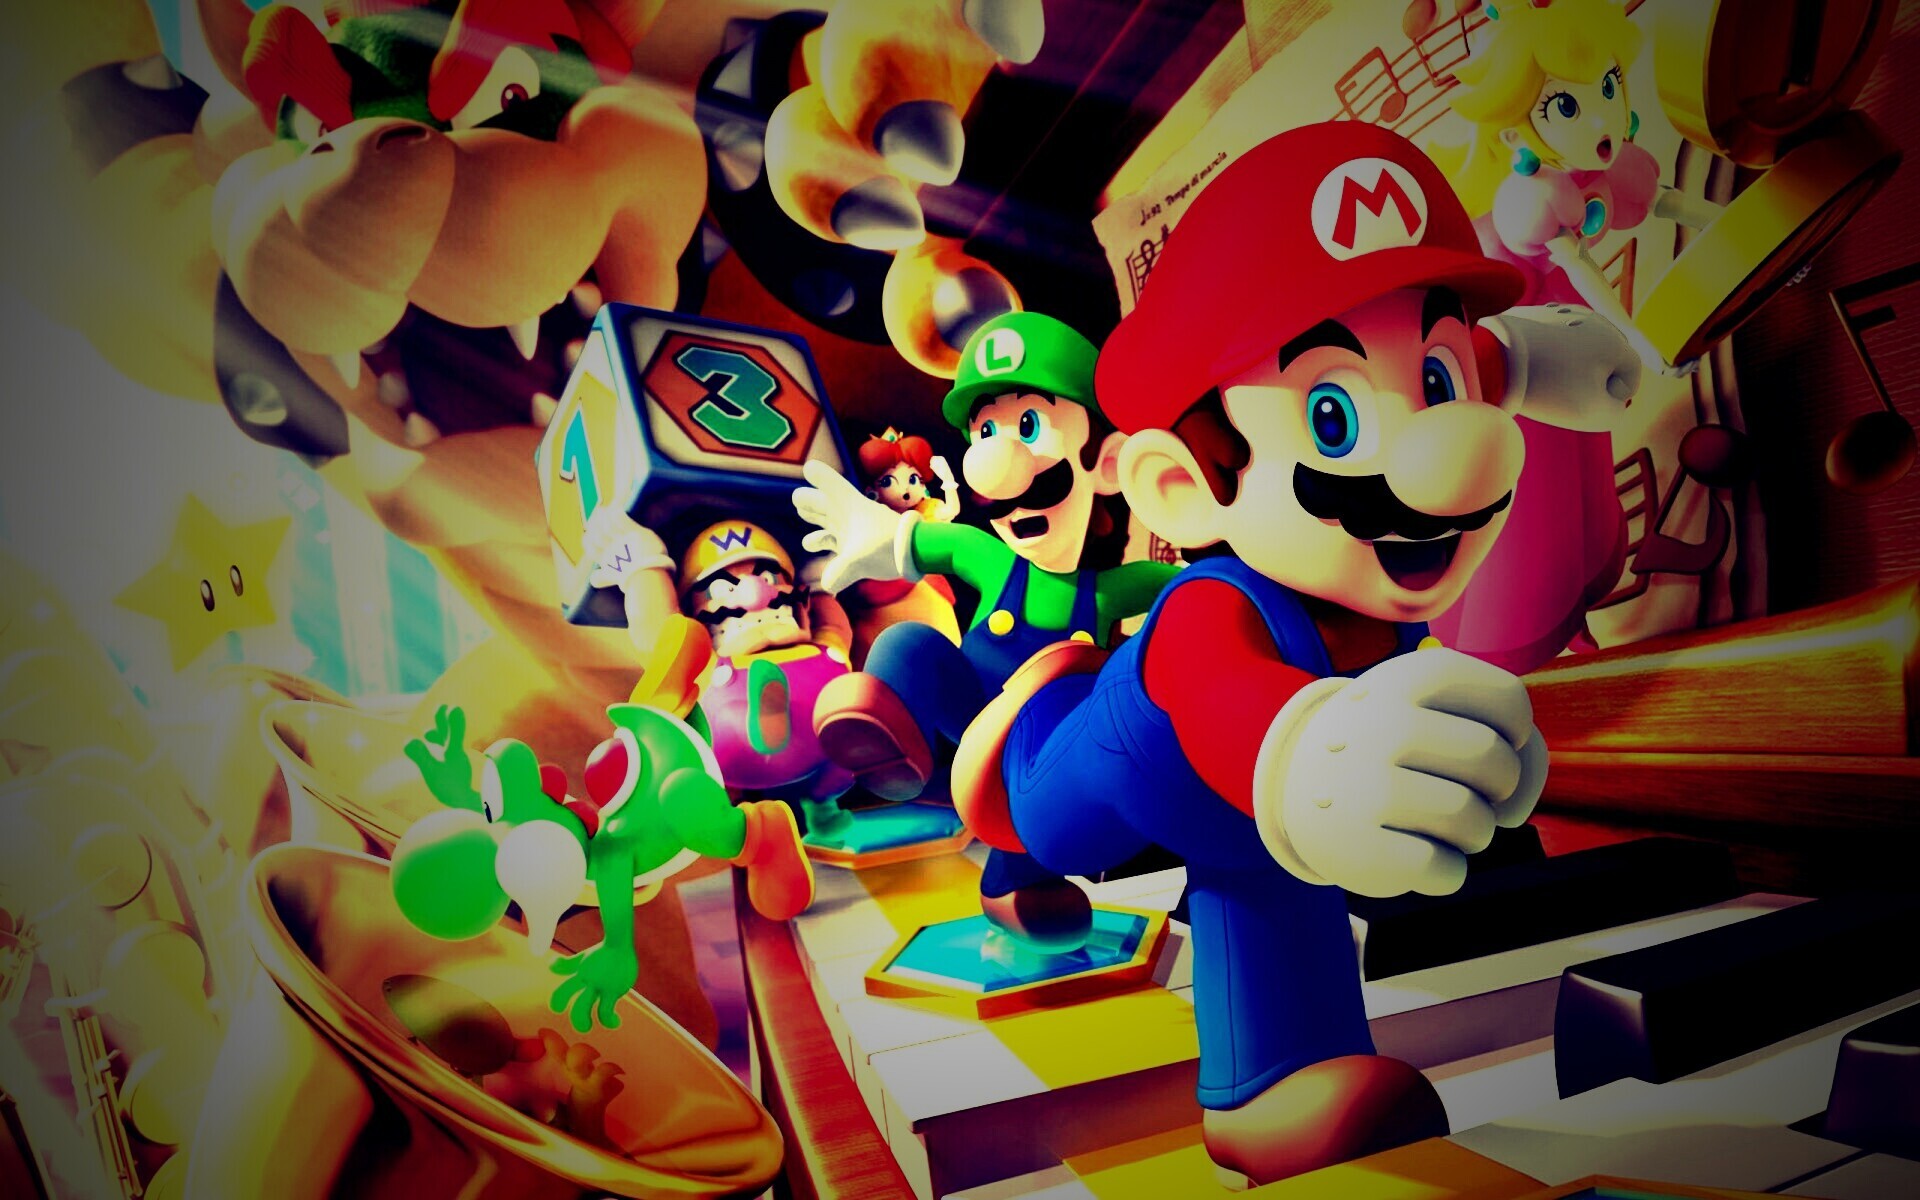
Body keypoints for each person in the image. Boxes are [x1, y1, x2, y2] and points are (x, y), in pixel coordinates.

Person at [951, 122, 1641, 1184]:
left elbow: (1484, 359)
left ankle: (1286, 1080)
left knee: (1269, 855)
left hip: (1256, 805)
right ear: (1183, 485)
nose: (1449, 453)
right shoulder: (1208, 611)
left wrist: (1535, 358)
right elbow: (1234, 710)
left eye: (1441, 384)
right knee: (1066, 821)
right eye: (1331, 414)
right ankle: (1022, 759)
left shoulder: (1365, 586)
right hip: (1147, 764)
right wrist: (1319, 756)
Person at [794, 310, 1180, 950]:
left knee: (1030, 813)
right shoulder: (992, 558)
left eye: (1028, 427)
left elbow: (1183, 587)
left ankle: (1016, 886)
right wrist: (880, 536)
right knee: (907, 644)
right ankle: (894, 743)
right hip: (968, 712)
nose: (997, 463)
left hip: (1044, 750)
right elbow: (928, 541)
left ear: (1106, 463)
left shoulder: (1108, 591)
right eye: (985, 432)